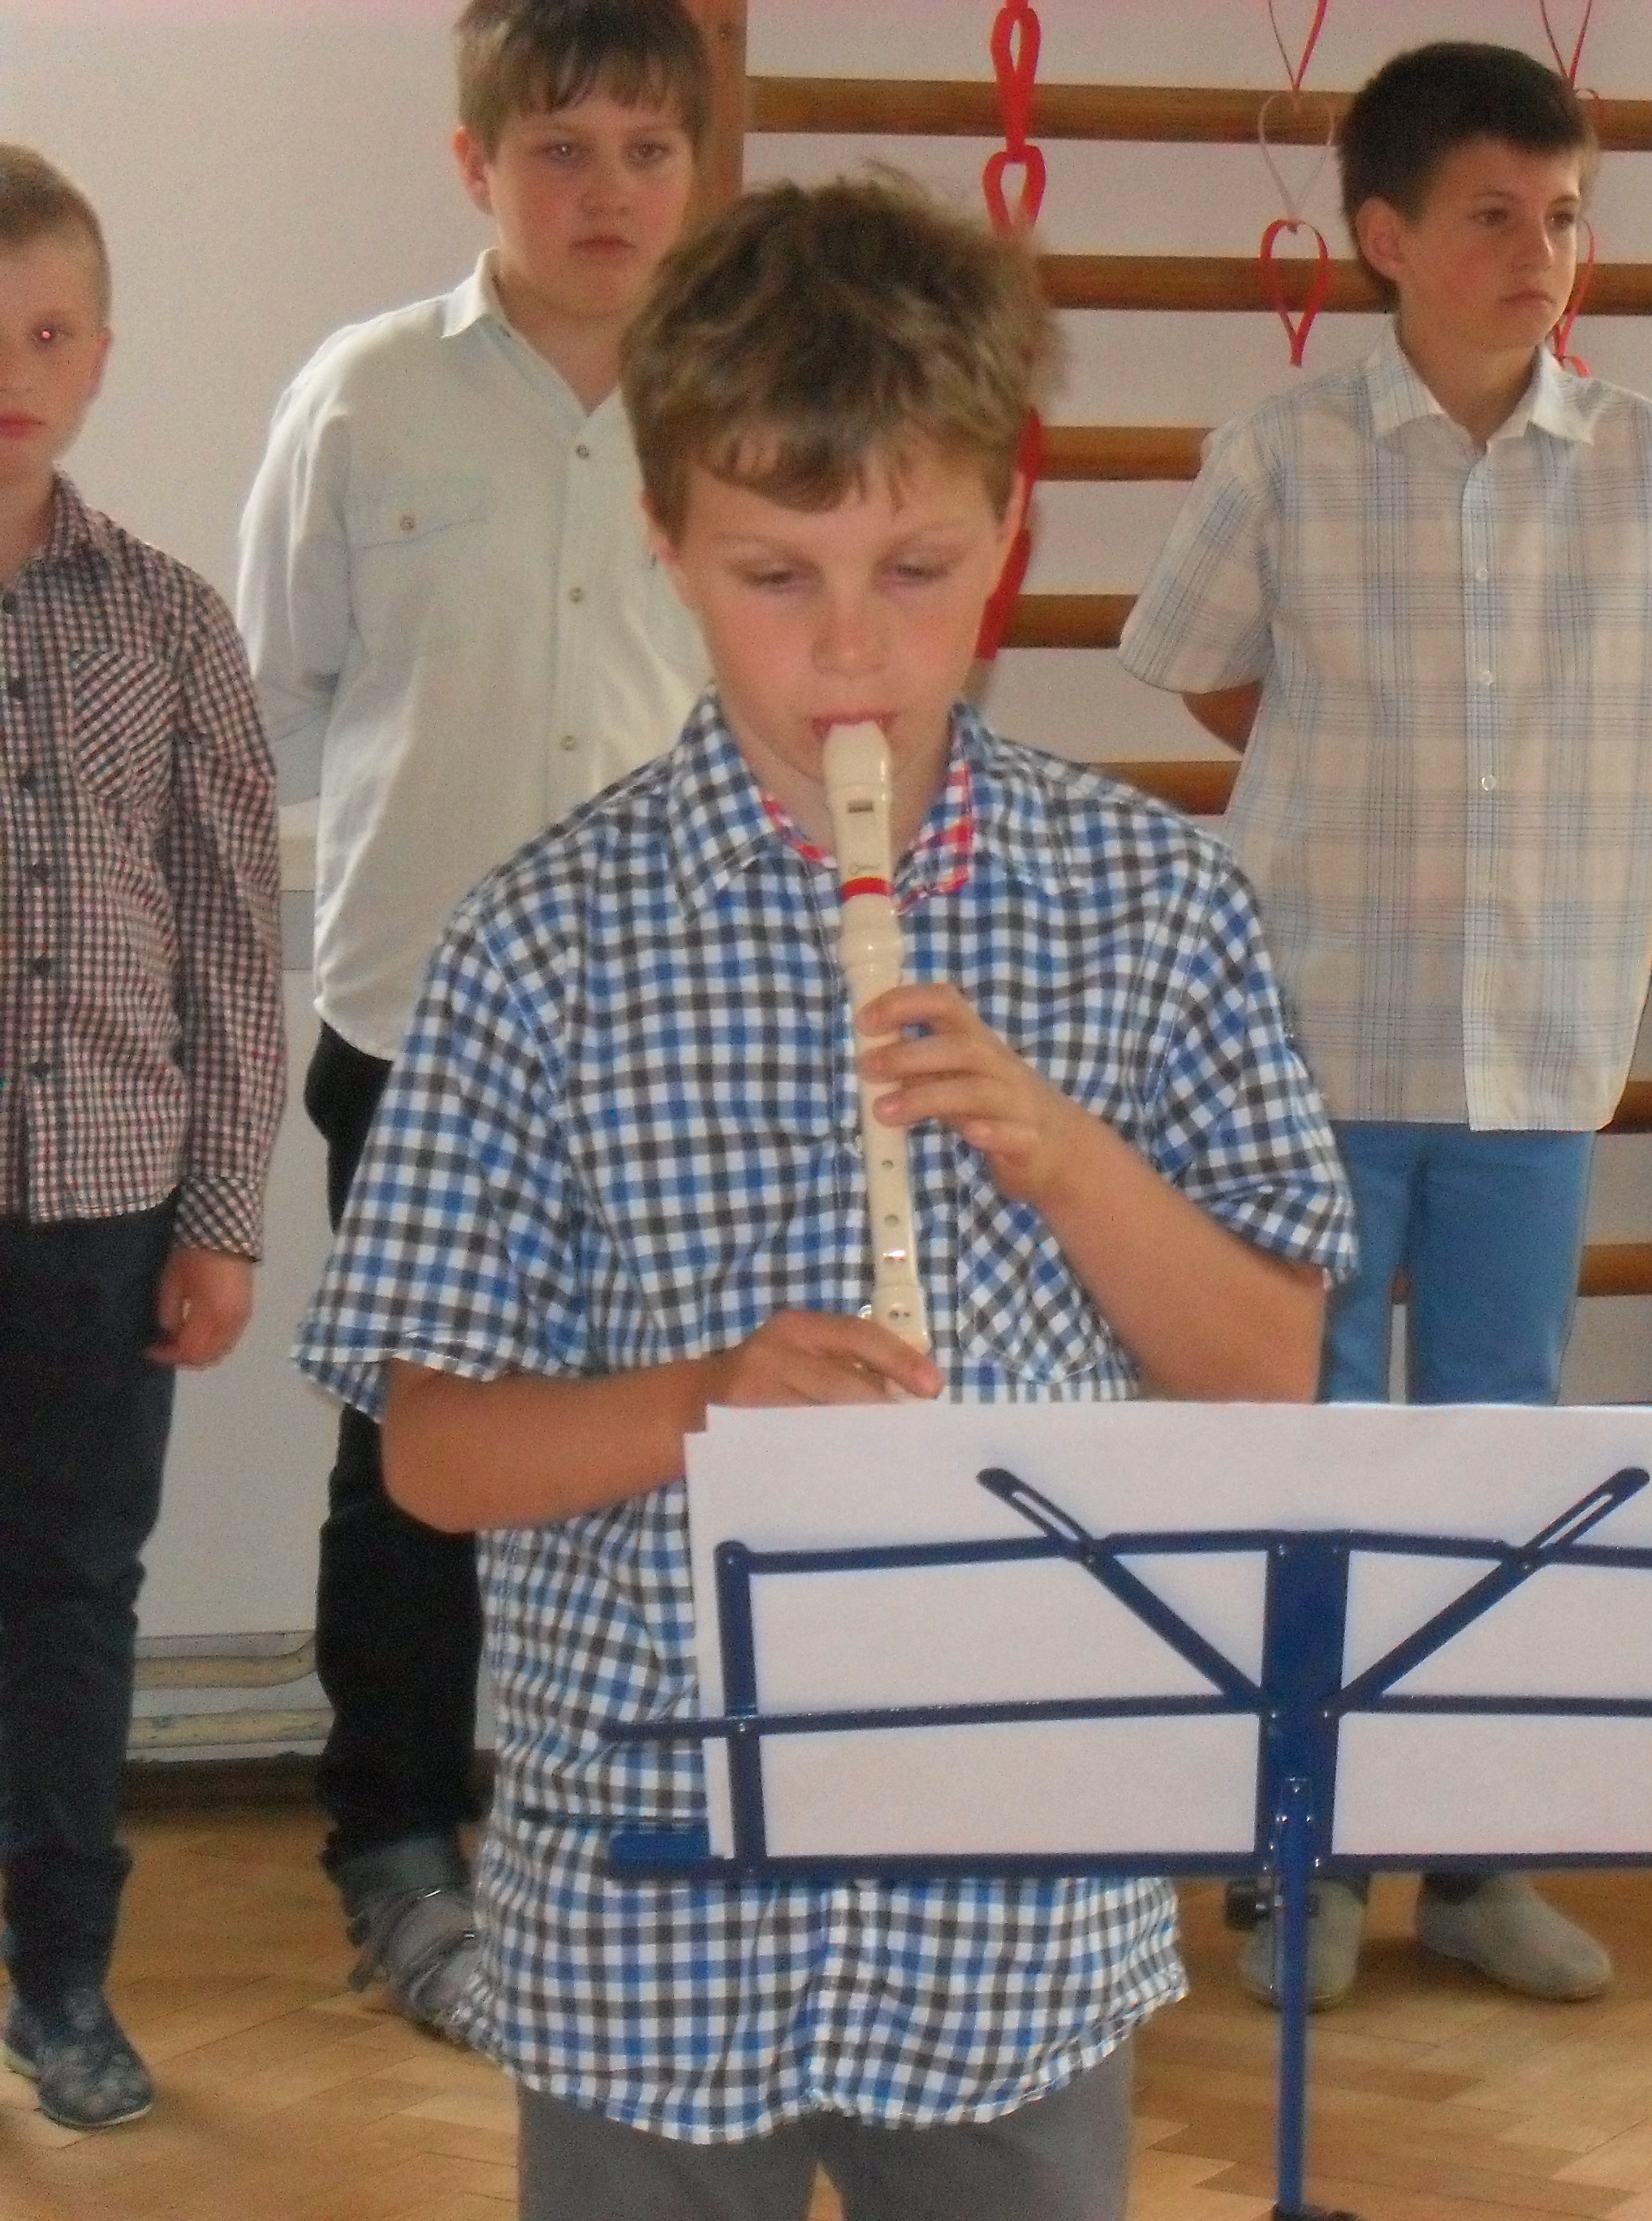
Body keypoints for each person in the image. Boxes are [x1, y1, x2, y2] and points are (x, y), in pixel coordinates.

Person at [294, 171, 1352, 2220]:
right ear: (667, 543)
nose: (852, 649)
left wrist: (1065, 1155)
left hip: (1011, 1906)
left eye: (917, 569)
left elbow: (1272, 1369)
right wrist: (710, 1405)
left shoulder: (1153, 904)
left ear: (1008, 537)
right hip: (654, 1907)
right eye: (777, 575)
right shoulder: (539, 941)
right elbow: (433, 1454)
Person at [1119, 37, 1652, 2012]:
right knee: (1308, 1449)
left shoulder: (1642, 458)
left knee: (1495, 1451)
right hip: (1318, 1034)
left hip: (1536, 1040)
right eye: (1491, 215)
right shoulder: (1281, 450)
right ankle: (1290, 1862)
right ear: (1383, 237)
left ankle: (1474, 1859)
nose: (1539, 251)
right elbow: (1205, 672)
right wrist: (1346, 780)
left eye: (1563, 216)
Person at [235, 0, 713, 2035]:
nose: (606, 191)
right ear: (476, 165)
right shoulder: (366, 395)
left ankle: (652, 1816)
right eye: (559, 149)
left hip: (689, 1036)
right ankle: (400, 1848)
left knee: (688, 1432)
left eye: (647, 149)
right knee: (413, 1463)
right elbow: (281, 701)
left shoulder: (745, 395)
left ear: (696, 170)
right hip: (418, 1026)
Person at [0, 144, 285, 2131]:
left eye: (46, 333)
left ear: (100, 353)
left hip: (99, 1206)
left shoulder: (171, 621)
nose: (10, 374)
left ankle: (65, 1982)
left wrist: (224, 1214)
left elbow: (237, 943)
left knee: (73, 1595)